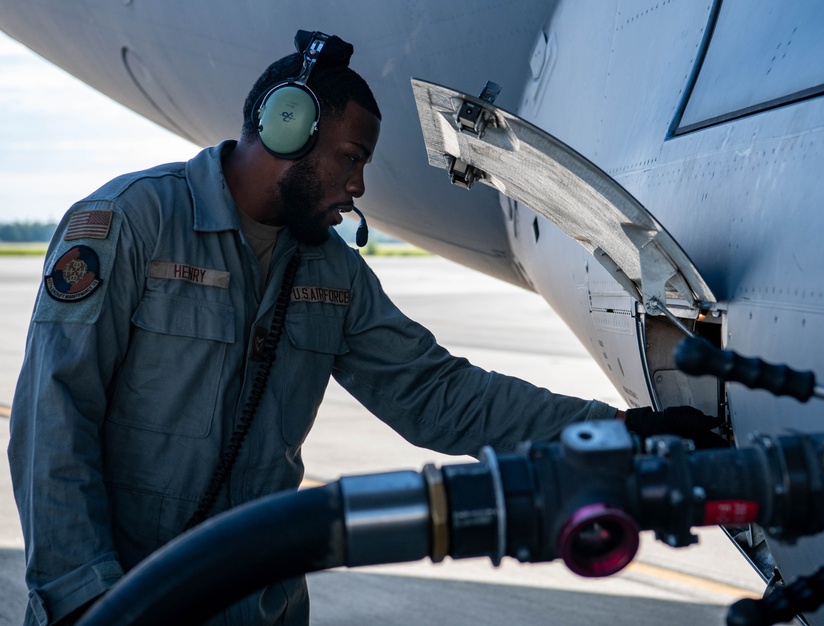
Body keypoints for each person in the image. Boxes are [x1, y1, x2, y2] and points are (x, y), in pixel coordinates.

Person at [8, 31, 723, 625]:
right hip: (125, 606)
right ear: (287, 126)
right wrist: (83, 599)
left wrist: (618, 437)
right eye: (351, 159)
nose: (357, 186)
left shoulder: (332, 273)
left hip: (261, 610)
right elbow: (53, 417)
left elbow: (444, 396)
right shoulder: (130, 224)